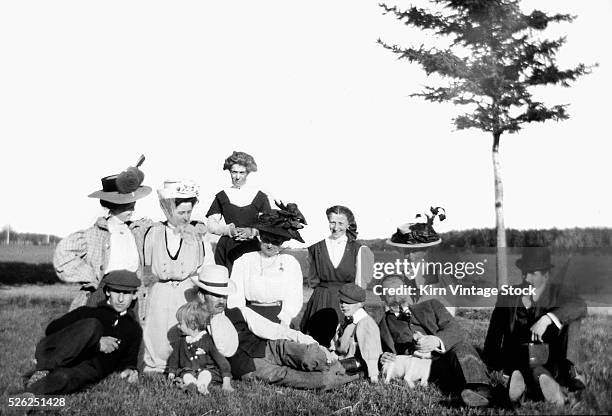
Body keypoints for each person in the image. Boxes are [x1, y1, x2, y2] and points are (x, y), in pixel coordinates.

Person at [192, 265, 358, 390]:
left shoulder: (239, 312)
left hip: (269, 348)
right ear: (201, 296)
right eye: (214, 295)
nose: (221, 300)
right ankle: (352, 373)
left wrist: (311, 342)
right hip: (250, 368)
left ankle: (345, 365)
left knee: (310, 354)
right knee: (312, 380)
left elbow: (276, 330)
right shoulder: (195, 327)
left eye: (223, 295)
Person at [484, 247, 587, 406]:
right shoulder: (508, 295)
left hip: (550, 358)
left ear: (546, 275)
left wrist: (548, 318)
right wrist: (492, 364)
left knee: (571, 317)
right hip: (517, 358)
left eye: (533, 273)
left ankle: (567, 375)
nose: (526, 277)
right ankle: (535, 389)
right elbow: (494, 333)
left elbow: (580, 306)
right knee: (527, 373)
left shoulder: (558, 292)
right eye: (524, 272)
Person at [378, 274, 494, 407]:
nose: (397, 297)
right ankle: (490, 396)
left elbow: (456, 330)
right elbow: (378, 351)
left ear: (407, 290)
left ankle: (479, 389)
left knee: (462, 346)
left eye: (399, 290)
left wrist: (437, 340)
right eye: (390, 293)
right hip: (424, 368)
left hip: (451, 358)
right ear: (382, 297)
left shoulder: (432, 305)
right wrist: (383, 356)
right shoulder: (383, 324)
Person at [53, 156, 152, 312]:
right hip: (103, 294)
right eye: (126, 206)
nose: (132, 210)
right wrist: (92, 277)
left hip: (131, 294)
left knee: (128, 332)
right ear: (112, 205)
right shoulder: (96, 234)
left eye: (133, 205)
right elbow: (63, 254)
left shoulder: (135, 230)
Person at [23, 270, 143, 395]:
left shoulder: (134, 329)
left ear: (134, 295)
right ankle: (43, 369)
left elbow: (128, 360)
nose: (121, 299)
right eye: (117, 291)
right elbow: (52, 329)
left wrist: (130, 369)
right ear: (107, 292)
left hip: (90, 368)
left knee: (64, 377)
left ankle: (26, 396)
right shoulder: (87, 312)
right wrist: (96, 342)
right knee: (93, 325)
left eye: (127, 293)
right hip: (58, 354)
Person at [141, 179, 210, 373]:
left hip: (186, 288)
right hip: (161, 287)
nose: (186, 217)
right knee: (158, 327)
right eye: (181, 212)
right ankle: (155, 365)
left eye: (189, 212)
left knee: (183, 325)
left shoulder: (196, 235)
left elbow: (203, 265)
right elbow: (147, 263)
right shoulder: (154, 233)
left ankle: (184, 365)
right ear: (168, 209)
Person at [227, 201, 306, 325]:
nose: (269, 245)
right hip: (250, 316)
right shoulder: (245, 260)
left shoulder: (290, 263)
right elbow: (235, 293)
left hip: (279, 317)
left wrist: (285, 317)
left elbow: (294, 294)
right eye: (266, 240)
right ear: (260, 238)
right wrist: (242, 317)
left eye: (275, 242)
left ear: (282, 242)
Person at [300, 205, 369, 346]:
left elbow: (360, 285)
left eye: (340, 223)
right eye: (332, 222)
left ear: (348, 224)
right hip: (322, 300)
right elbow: (313, 280)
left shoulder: (358, 249)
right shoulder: (315, 248)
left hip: (346, 301)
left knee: (344, 342)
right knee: (317, 342)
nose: (336, 227)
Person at [206, 151, 272, 273]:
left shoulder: (259, 196)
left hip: (250, 247)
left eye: (241, 173)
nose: (237, 177)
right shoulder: (222, 195)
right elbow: (211, 224)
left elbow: (268, 225)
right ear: (229, 171)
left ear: (248, 173)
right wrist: (228, 230)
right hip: (226, 248)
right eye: (234, 172)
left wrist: (252, 231)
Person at [167, 301, 233, 395]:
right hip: (188, 370)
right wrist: (172, 372)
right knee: (186, 375)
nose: (178, 326)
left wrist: (226, 379)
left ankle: (202, 386)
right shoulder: (181, 342)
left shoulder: (207, 340)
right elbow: (174, 359)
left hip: (206, 370)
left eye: (180, 323)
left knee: (205, 374)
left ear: (193, 324)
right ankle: (193, 386)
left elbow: (221, 360)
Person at [329, 283, 382, 383]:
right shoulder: (347, 319)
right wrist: (332, 353)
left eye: (348, 303)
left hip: (360, 363)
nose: (343, 305)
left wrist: (373, 376)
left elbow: (371, 353)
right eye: (341, 301)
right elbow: (337, 343)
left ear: (360, 304)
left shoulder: (365, 323)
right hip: (343, 358)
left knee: (331, 371)